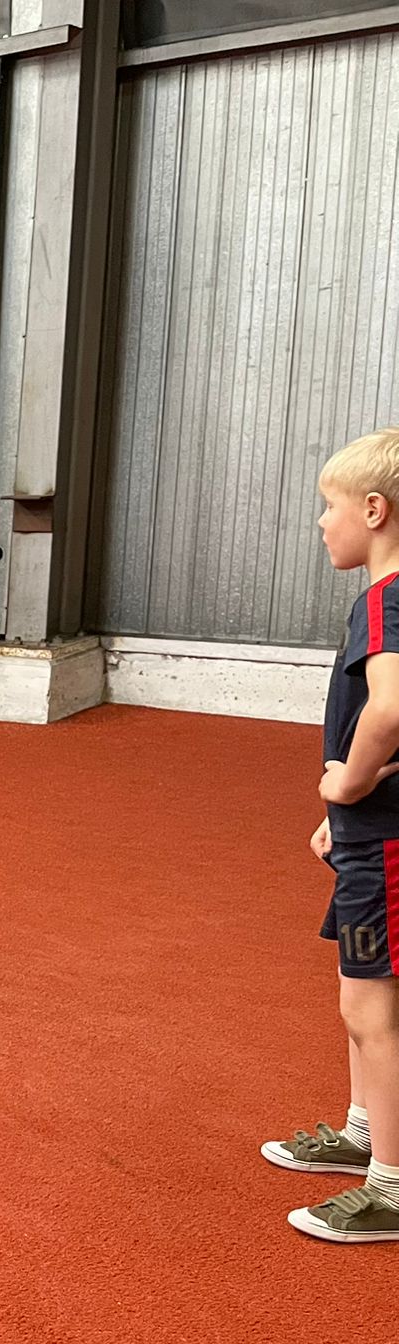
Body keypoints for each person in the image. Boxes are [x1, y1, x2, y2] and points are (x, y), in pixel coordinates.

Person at [265, 427, 399, 1242]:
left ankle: (392, 1183)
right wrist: (337, 813)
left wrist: (347, 785)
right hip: (368, 831)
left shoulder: (389, 599)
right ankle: (363, 1133)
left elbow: (392, 707)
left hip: (385, 838)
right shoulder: (384, 597)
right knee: (362, 995)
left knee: (371, 1004)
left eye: (331, 505)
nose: (322, 522)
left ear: (374, 511)